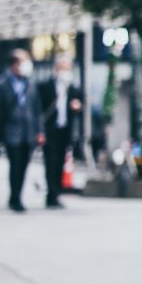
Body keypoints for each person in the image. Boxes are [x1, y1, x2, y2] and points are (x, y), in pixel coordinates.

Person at [0, 50, 44, 213]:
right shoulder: (2, 85)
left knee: (24, 165)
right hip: (11, 132)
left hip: (29, 132)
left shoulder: (30, 84)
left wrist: (40, 132)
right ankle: (15, 197)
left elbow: (37, 110)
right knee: (15, 165)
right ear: (14, 64)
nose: (27, 65)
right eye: (24, 61)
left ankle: (16, 195)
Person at [37, 55, 83, 209]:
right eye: (64, 67)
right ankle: (51, 194)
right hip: (50, 131)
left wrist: (77, 106)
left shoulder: (72, 88)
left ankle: (56, 193)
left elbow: (80, 106)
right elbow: (39, 110)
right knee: (50, 162)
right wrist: (39, 132)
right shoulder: (46, 86)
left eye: (69, 68)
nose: (66, 71)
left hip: (64, 130)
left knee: (60, 163)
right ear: (56, 69)